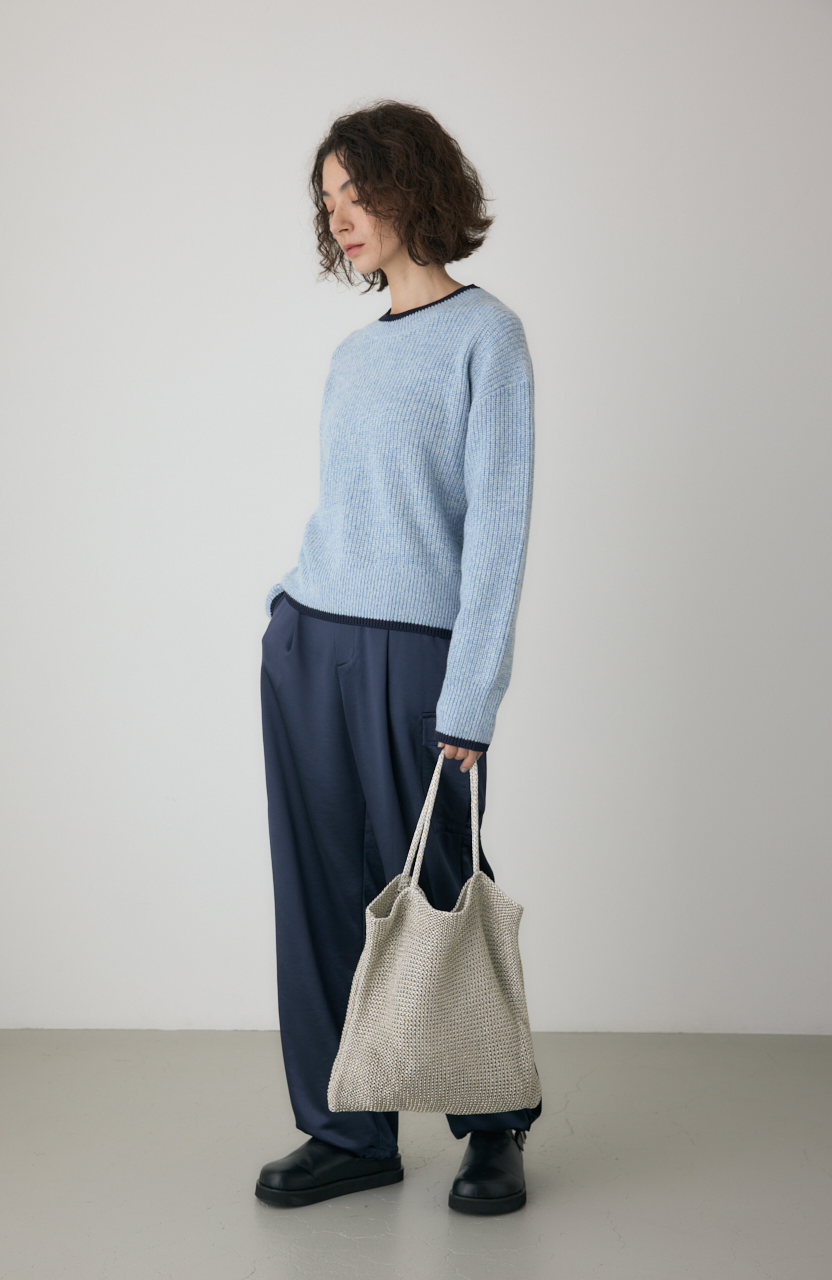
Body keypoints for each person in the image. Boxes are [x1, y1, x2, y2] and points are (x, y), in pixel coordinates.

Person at [255, 99, 542, 1215]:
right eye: (327, 200)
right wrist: (285, 609)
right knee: (320, 891)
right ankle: (346, 1130)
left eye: (356, 190)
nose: (340, 216)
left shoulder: (487, 337)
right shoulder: (353, 351)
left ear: (411, 186)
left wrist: (471, 695)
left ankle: (493, 1124)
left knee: (440, 886)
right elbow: (352, 510)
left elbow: (498, 530)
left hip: (420, 659)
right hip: (311, 642)